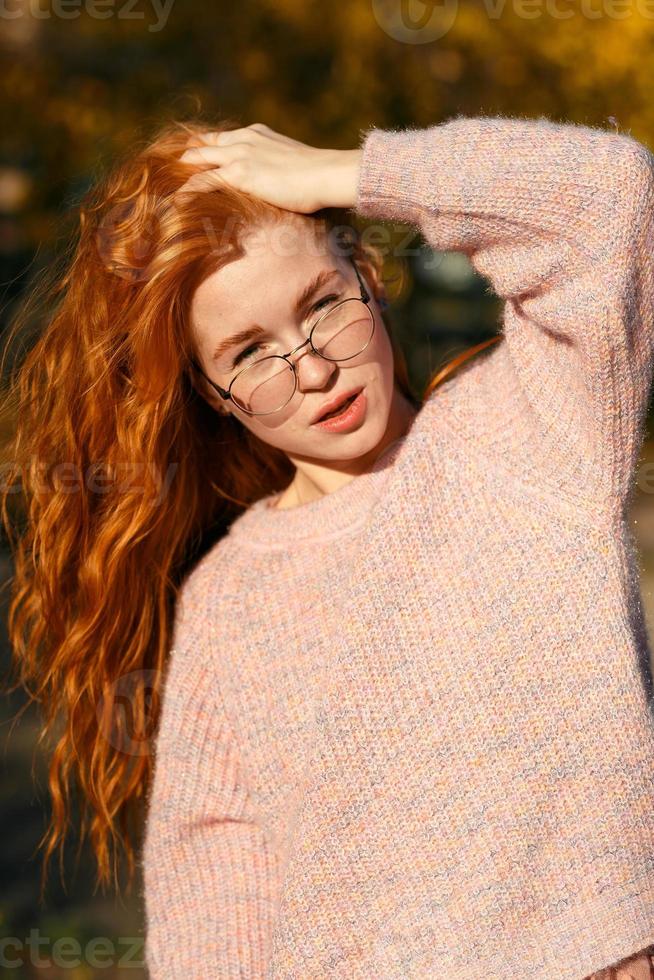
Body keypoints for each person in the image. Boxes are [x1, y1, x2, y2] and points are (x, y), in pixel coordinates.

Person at [3, 111, 654, 978]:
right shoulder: (232, 601)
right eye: (250, 355)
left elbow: (611, 200)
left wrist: (347, 176)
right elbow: (217, 908)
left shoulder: (533, 431)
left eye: (322, 307)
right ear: (211, 394)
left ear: (370, 275)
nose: (311, 369)